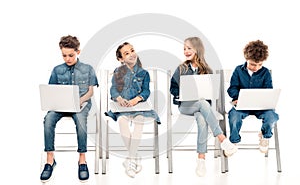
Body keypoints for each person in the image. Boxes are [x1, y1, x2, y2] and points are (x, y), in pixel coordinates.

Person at [170, 37, 237, 177]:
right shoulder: (181, 68)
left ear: (197, 49)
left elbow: (212, 92)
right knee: (202, 103)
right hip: (185, 106)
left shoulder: (207, 70)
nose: (186, 51)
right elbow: (173, 88)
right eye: (184, 48)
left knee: (201, 118)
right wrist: (180, 93)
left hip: (202, 109)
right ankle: (222, 139)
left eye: (189, 48)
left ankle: (201, 160)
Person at [40, 35, 99, 182]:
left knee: (80, 119)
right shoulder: (57, 69)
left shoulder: (88, 68)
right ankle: (50, 160)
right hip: (60, 105)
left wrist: (79, 100)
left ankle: (82, 160)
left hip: (82, 103)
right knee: (48, 119)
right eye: (64, 55)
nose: (67, 58)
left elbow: (90, 92)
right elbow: (51, 90)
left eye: (71, 55)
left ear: (78, 51)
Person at [105, 42, 160, 178]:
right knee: (122, 121)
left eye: (132, 50)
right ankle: (133, 157)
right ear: (121, 59)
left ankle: (130, 159)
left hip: (139, 107)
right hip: (123, 107)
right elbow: (113, 89)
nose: (131, 54)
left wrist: (137, 99)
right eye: (126, 53)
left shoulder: (144, 73)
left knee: (139, 120)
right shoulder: (118, 72)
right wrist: (118, 99)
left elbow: (147, 91)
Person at [227, 39, 279, 153]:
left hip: (261, 107)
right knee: (234, 116)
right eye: (252, 64)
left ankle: (265, 136)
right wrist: (238, 98)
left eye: (259, 65)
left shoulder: (265, 73)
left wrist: (266, 99)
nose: (256, 68)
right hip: (242, 106)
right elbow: (232, 88)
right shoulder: (238, 70)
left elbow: (268, 91)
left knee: (272, 116)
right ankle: (233, 141)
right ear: (246, 59)